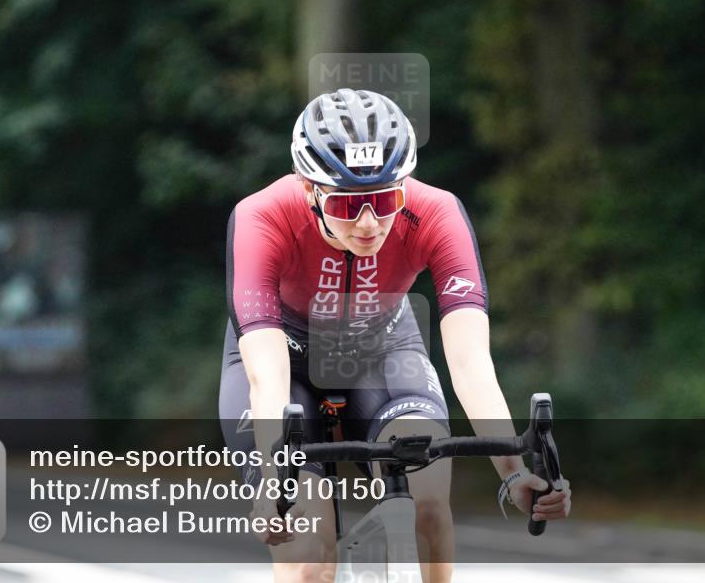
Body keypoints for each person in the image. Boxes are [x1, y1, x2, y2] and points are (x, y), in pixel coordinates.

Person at [220, 88, 571, 583]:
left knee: (428, 511)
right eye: (347, 206)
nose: (369, 223)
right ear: (309, 190)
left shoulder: (436, 212)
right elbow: (267, 374)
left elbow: (470, 363)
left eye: (386, 200)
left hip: (383, 351)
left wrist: (513, 472)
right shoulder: (262, 217)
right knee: (307, 560)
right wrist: (275, 478)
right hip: (286, 364)